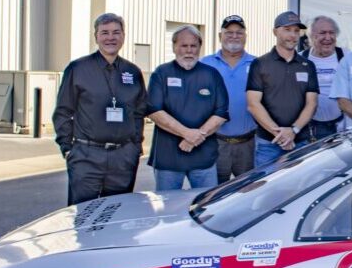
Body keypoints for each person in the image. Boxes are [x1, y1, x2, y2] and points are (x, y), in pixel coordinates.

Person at [53, 13, 147, 205]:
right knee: (82, 216)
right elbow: (63, 111)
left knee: (116, 215)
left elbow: (138, 112)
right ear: (96, 36)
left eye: (116, 32)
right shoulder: (78, 68)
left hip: (123, 158)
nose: (110, 38)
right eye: (104, 33)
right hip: (86, 156)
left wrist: (135, 147)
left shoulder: (132, 72)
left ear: (123, 36)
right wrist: (68, 148)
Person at [147, 25, 229, 190]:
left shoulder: (211, 74)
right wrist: (188, 134)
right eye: (184, 46)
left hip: (204, 158)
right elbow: (154, 111)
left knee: (206, 209)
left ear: (200, 47)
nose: (189, 50)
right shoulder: (161, 73)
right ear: (174, 47)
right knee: (168, 209)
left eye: (193, 46)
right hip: (169, 159)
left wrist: (196, 137)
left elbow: (221, 113)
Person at [246, 11, 320, 168]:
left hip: (300, 142)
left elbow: (311, 104)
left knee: (300, 189)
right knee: (265, 190)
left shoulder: (308, 66)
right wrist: (279, 134)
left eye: (296, 31)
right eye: (287, 29)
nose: (293, 35)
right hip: (268, 144)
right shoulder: (260, 64)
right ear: (275, 32)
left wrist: (293, 131)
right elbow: (253, 104)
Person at [201, 15, 257, 184]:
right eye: (229, 32)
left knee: (249, 192)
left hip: (249, 144)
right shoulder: (206, 64)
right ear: (220, 36)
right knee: (214, 195)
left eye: (239, 32)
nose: (234, 36)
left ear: (245, 36)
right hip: (215, 142)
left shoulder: (257, 64)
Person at [302, 15, 345, 139]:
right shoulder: (301, 59)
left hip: (342, 125)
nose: (328, 37)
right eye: (322, 33)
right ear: (311, 36)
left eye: (332, 33)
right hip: (310, 128)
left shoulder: (346, 56)